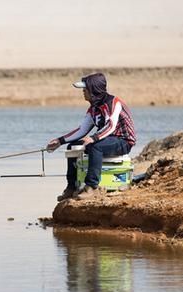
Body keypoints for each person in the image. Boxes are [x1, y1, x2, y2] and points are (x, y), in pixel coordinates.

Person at [46, 72, 136, 201]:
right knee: (73, 146)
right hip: (105, 139)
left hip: (123, 141)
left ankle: (92, 186)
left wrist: (93, 138)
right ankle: (71, 187)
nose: (83, 91)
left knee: (95, 147)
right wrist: (60, 141)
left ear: (94, 90)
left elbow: (111, 126)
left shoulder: (114, 103)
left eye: (85, 89)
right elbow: (82, 130)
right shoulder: (93, 108)